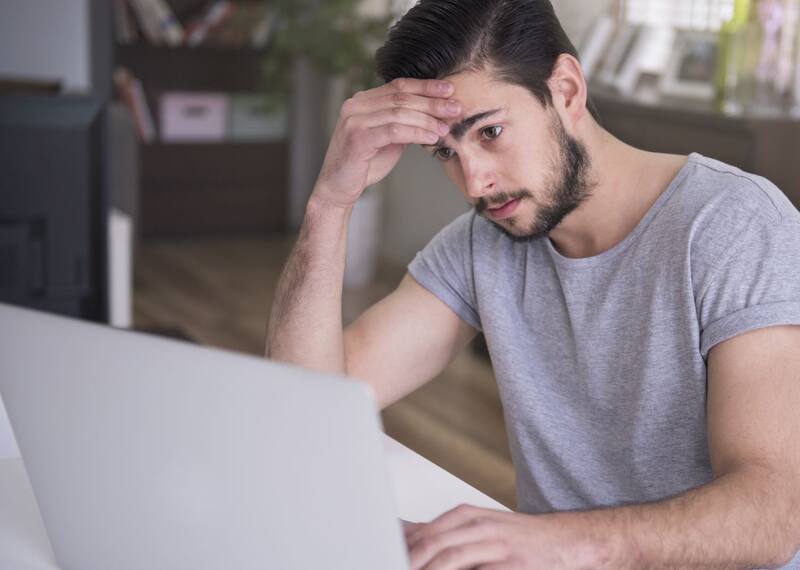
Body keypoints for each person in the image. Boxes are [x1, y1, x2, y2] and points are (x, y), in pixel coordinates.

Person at [265, 1, 800, 568]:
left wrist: (555, 541)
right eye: (446, 152)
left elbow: (775, 511)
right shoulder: (480, 246)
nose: (475, 181)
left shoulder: (734, 225)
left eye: (490, 132)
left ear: (566, 90)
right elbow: (309, 406)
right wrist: (331, 201)